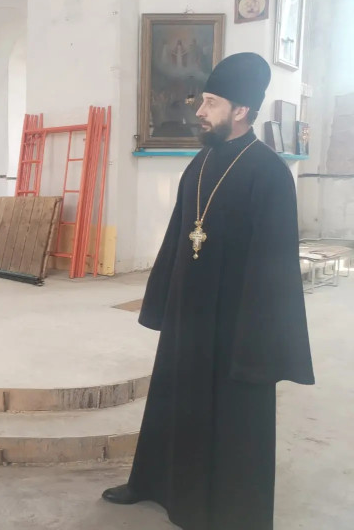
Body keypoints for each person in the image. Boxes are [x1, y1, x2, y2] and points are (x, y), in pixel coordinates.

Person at [101, 52, 314, 530]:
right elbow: (180, 235)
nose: (199, 110)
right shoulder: (201, 161)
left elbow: (275, 269)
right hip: (189, 314)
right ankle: (153, 483)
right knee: (174, 400)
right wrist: (164, 302)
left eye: (211, 102)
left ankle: (229, 509)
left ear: (241, 109)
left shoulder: (269, 173)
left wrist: (257, 342)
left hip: (236, 322)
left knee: (231, 413)